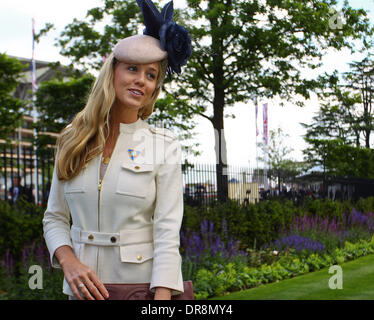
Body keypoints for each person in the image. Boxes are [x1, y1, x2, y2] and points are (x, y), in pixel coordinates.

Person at [43, 0, 191, 300]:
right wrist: (68, 261)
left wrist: (161, 301)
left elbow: (167, 232)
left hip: (140, 290)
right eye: (133, 69)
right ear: (112, 72)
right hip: (81, 293)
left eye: (151, 75)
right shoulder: (72, 139)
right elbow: (54, 217)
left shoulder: (164, 145)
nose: (141, 80)